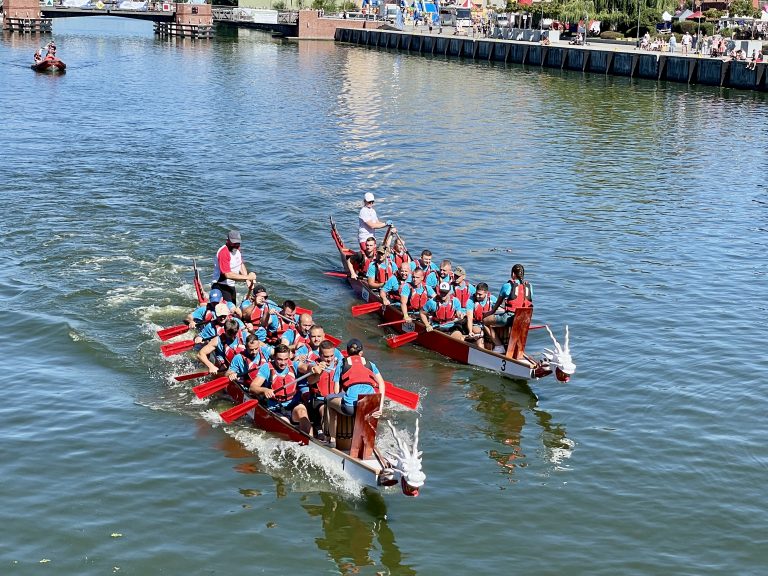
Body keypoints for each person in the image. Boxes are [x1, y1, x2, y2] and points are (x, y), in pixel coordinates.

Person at [326, 339, 386, 448]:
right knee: (367, 410)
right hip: (370, 405)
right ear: (361, 353)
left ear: (347, 352)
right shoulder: (370, 364)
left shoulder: (342, 363)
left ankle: (333, 439)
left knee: (329, 400)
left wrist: (342, 396)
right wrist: (380, 407)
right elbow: (381, 383)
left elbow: (336, 390)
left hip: (351, 407)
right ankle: (372, 443)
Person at [248, 344, 311, 434]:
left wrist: (313, 367)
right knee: (285, 423)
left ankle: (309, 439)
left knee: (302, 411)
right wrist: (265, 390)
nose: (283, 363)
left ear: (289, 357)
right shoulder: (267, 368)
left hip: (293, 405)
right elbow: (252, 387)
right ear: (274, 357)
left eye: (286, 359)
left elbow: (306, 367)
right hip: (275, 407)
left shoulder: (294, 365)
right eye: (279, 359)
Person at [482, 264, 533, 353]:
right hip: (524, 319)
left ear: (513, 274)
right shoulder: (529, 286)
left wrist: (489, 313)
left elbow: (497, 304)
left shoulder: (507, 285)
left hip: (510, 318)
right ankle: (517, 350)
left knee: (485, 321)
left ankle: (499, 346)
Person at [196, 305, 247, 374]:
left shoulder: (236, 323)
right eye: (220, 315)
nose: (222, 318)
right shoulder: (212, 329)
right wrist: (211, 366)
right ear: (216, 315)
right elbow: (200, 353)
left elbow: (247, 333)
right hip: (224, 364)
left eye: (224, 315)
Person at [211, 230, 256, 305]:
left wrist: (248, 280)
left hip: (231, 285)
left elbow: (240, 264)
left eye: (237, 243)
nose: (235, 245)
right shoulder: (223, 252)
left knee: (233, 308)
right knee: (229, 310)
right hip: (220, 285)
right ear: (227, 241)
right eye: (233, 243)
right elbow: (227, 274)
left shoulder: (237, 249)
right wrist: (247, 277)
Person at [464, 282, 496, 348]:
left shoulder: (492, 299)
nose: (477, 296)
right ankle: (480, 347)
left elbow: (499, 310)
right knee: (478, 333)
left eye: (480, 294)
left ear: (486, 293)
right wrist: (470, 331)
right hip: (476, 324)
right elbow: (469, 318)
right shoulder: (471, 300)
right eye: (477, 293)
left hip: (487, 324)